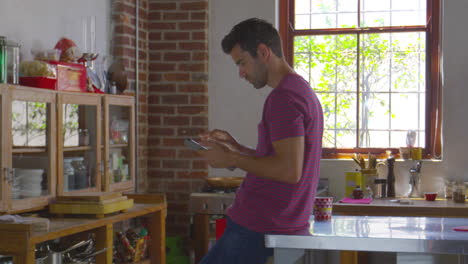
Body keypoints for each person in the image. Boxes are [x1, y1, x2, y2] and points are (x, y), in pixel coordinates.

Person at [197, 18, 324, 264]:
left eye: (242, 63)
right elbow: (280, 160)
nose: (241, 72)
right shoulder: (301, 90)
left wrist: (232, 158)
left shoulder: (284, 98)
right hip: (276, 221)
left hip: (259, 224)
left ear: (263, 52)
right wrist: (236, 147)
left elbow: (288, 170)